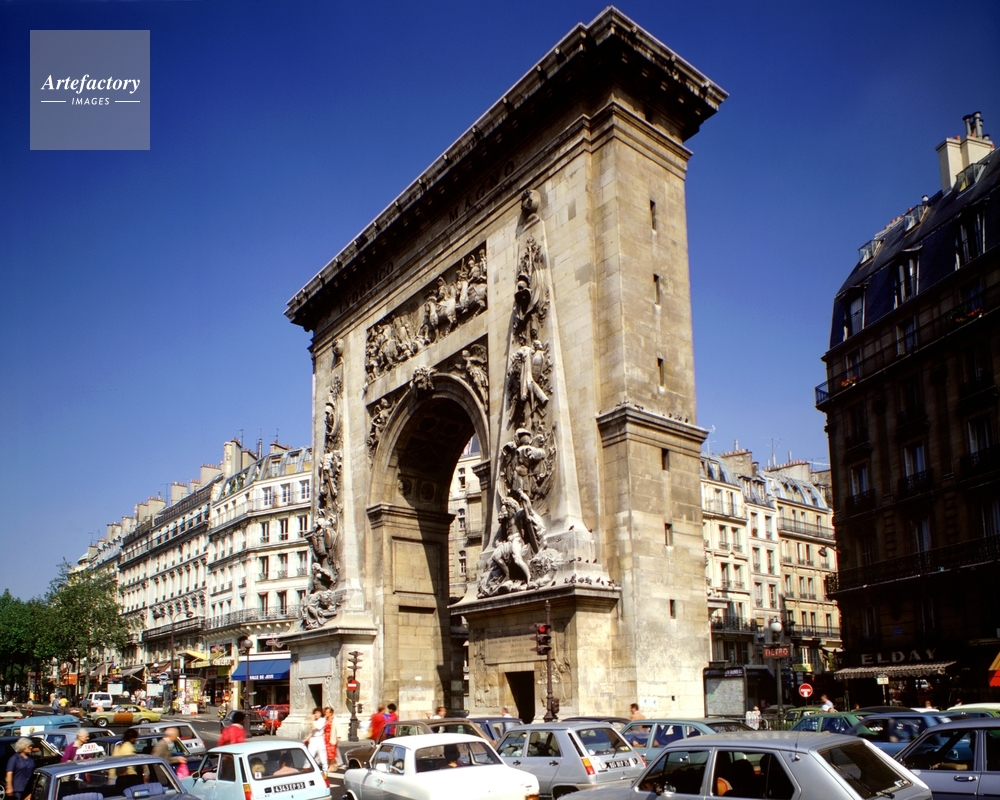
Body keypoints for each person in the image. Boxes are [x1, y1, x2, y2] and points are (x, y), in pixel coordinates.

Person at [323, 707, 339, 772]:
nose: (326, 713)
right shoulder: (325, 719)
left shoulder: (334, 719)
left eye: (327, 712)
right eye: (325, 712)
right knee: (327, 752)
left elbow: (338, 728)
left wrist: (338, 736)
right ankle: (332, 764)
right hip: (325, 737)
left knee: (331, 752)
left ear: (331, 713)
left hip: (331, 736)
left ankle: (332, 766)